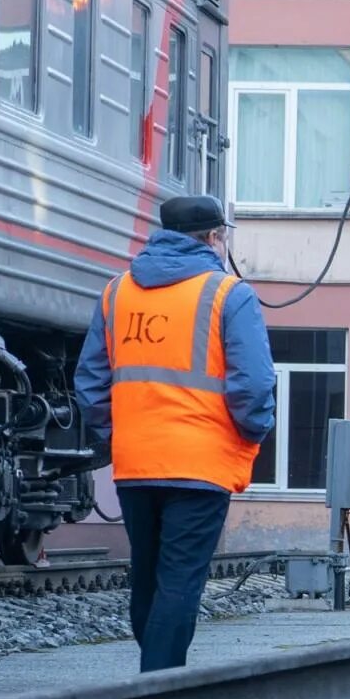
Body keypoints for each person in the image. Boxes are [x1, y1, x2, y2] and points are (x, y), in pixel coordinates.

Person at [75, 195, 275, 672]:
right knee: (181, 580)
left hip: (136, 462)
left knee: (147, 575)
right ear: (212, 238)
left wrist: (121, 430)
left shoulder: (117, 292)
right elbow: (253, 383)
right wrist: (252, 432)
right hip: (200, 464)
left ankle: (154, 679)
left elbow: (90, 382)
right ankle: (158, 691)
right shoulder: (229, 294)